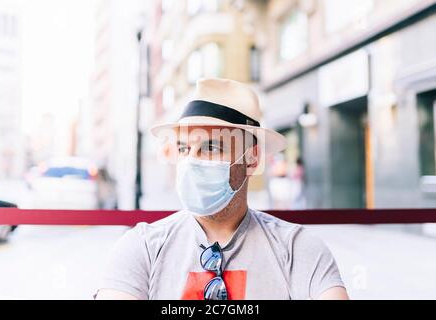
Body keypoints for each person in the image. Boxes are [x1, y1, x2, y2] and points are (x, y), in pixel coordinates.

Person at [95, 78, 348, 300]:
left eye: (211, 147)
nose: (192, 161)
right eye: (184, 149)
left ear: (251, 158)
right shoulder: (143, 248)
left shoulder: (296, 248)